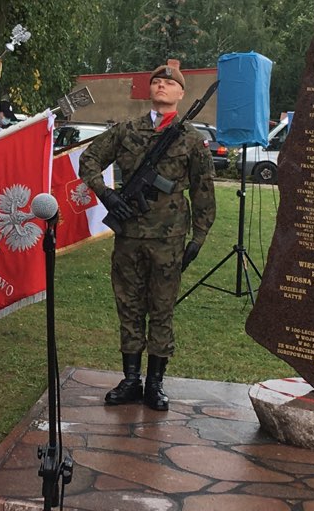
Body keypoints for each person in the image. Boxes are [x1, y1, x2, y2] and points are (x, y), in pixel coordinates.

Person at [78, 60, 215, 411]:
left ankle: (155, 383)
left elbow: (203, 190)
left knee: (162, 308)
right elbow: (89, 159)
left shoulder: (191, 140)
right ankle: (130, 379)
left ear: (181, 94)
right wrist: (106, 194)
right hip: (130, 236)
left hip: (168, 240)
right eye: (156, 82)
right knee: (129, 305)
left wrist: (198, 237)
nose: (161, 86)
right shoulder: (126, 130)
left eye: (169, 84)